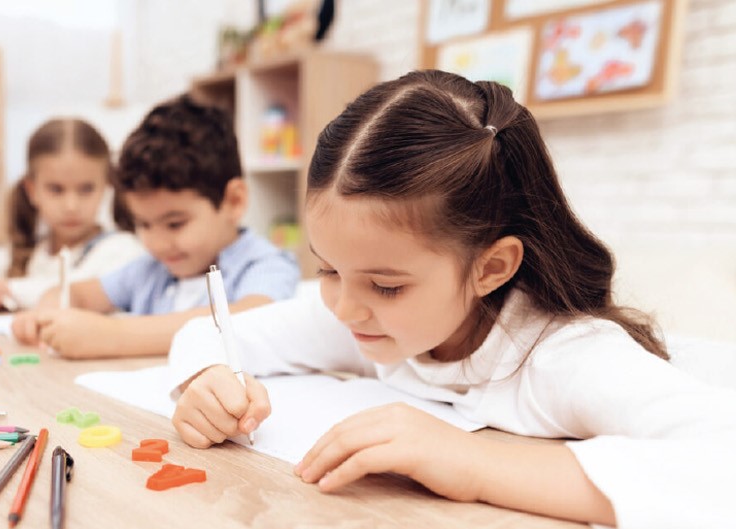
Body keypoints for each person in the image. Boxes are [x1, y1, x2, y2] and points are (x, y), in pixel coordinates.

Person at [167, 70, 736, 528]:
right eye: (327, 269)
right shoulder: (361, 314)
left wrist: (472, 462)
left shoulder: (562, 356)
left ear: (491, 267)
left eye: (386, 285)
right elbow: (209, 331)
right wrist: (207, 378)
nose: (341, 308)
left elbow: (723, 466)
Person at [11, 95, 299, 358]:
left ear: (233, 201)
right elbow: (78, 293)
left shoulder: (264, 265)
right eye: (143, 224)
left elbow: (249, 320)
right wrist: (48, 313)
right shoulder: (150, 270)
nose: (157, 243)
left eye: (174, 224)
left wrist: (112, 337)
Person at [0, 118, 145, 312]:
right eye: (56, 189)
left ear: (106, 186)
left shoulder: (122, 249)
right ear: (32, 190)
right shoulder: (26, 253)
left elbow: (75, 290)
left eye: (86, 189)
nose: (71, 205)